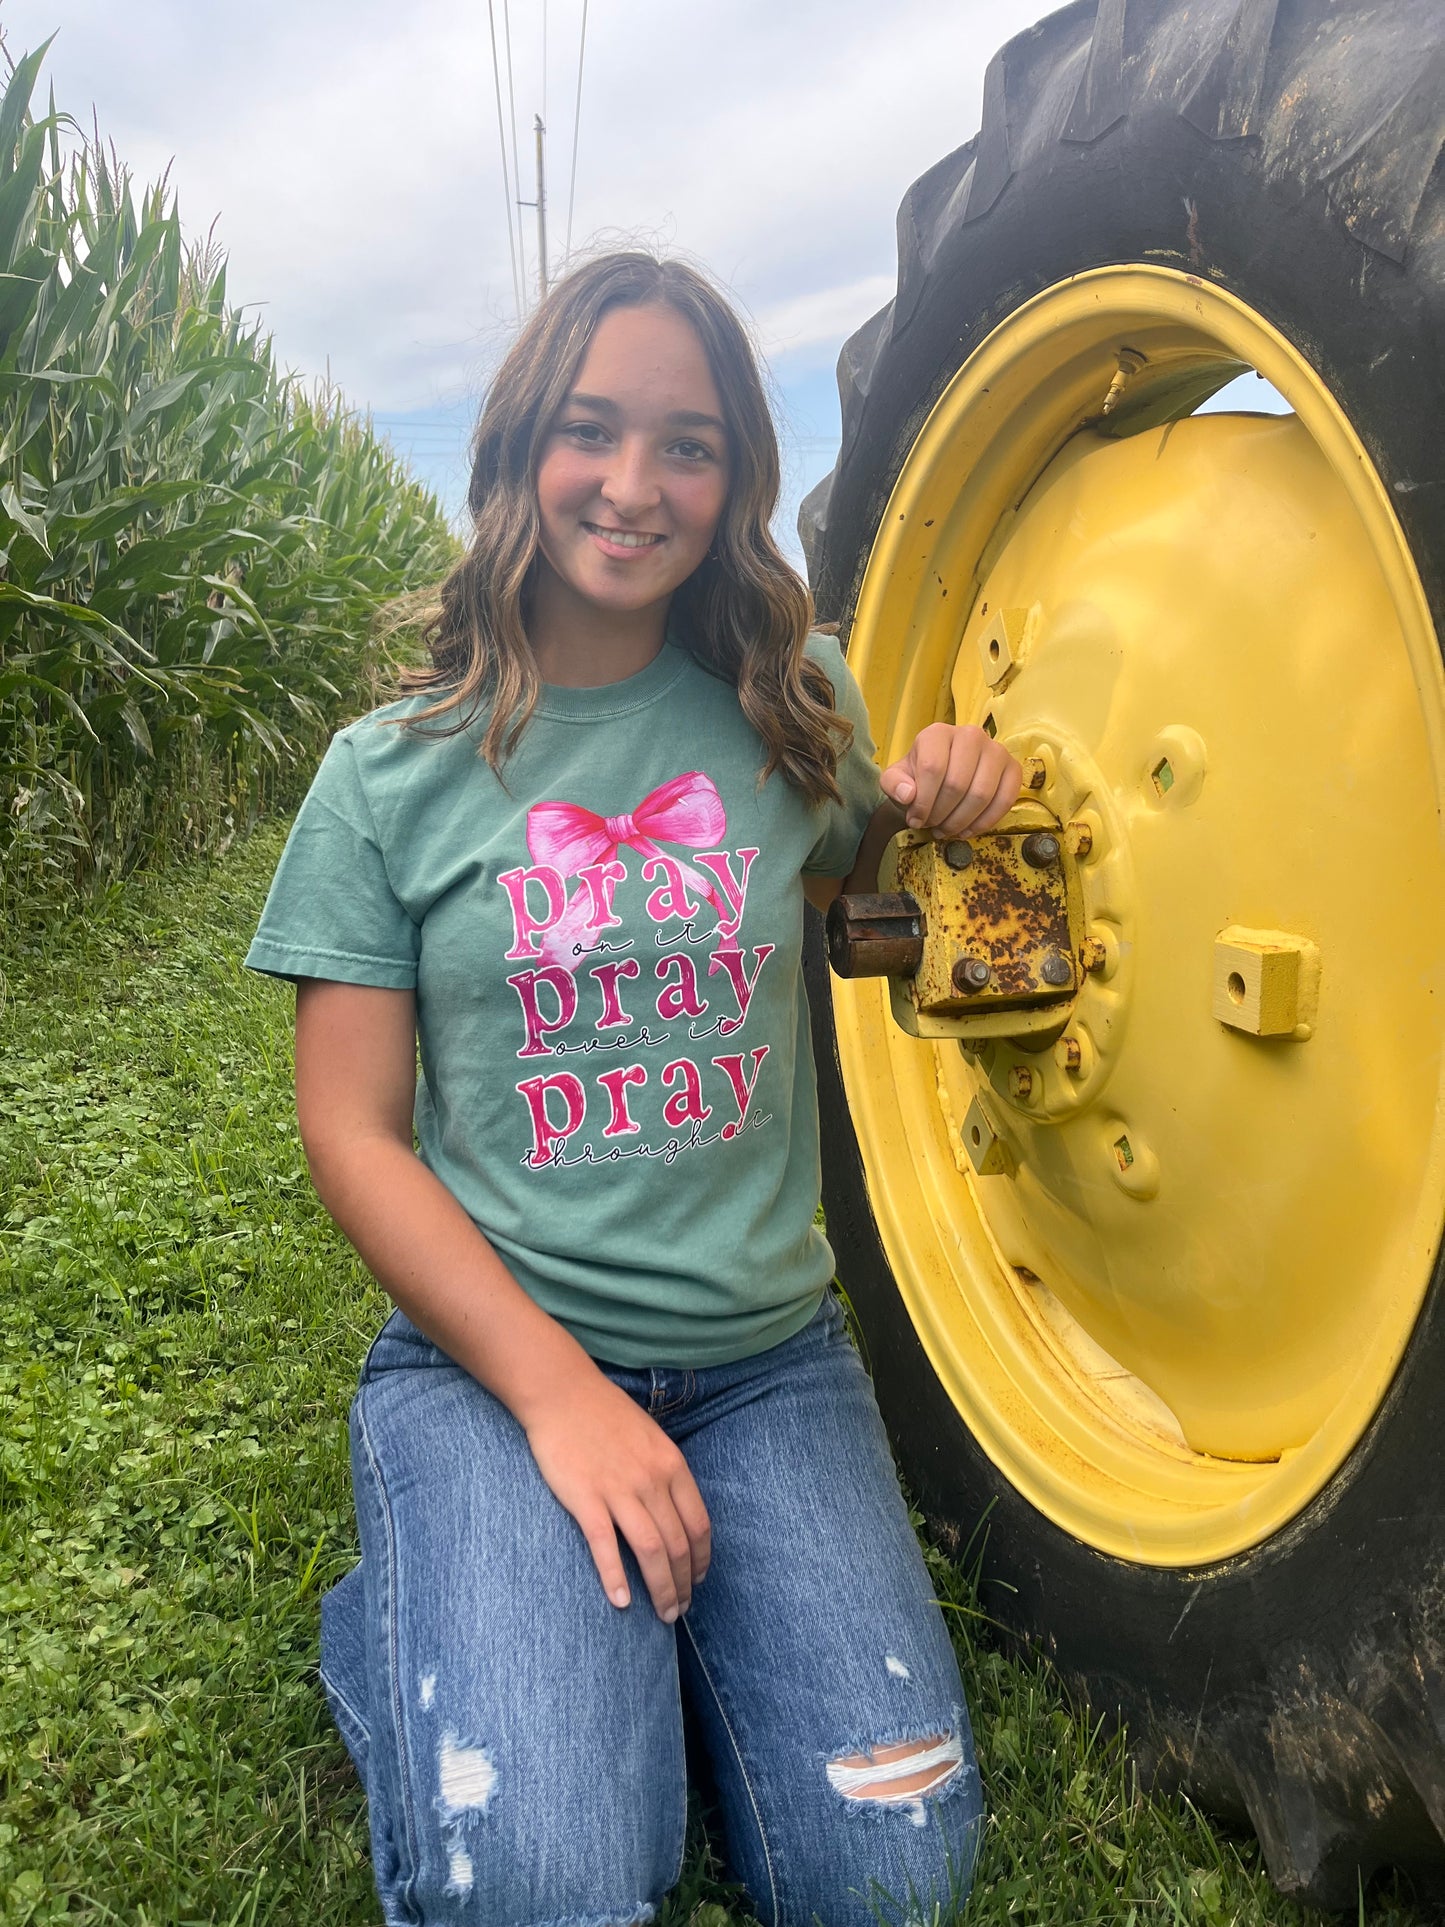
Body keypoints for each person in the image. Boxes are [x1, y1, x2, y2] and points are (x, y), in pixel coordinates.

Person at [245, 251, 1021, 1927]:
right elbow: (350, 1131)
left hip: (766, 1370)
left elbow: (867, 864)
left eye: (688, 445)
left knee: (889, 1875)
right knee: (550, 1884)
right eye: (591, 431)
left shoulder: (788, 711)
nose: (633, 484)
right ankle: (414, 1618)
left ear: (734, 475)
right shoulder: (388, 777)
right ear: (522, 443)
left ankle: (569, 1642)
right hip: (496, 1363)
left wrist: (946, 787)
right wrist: (555, 1397)